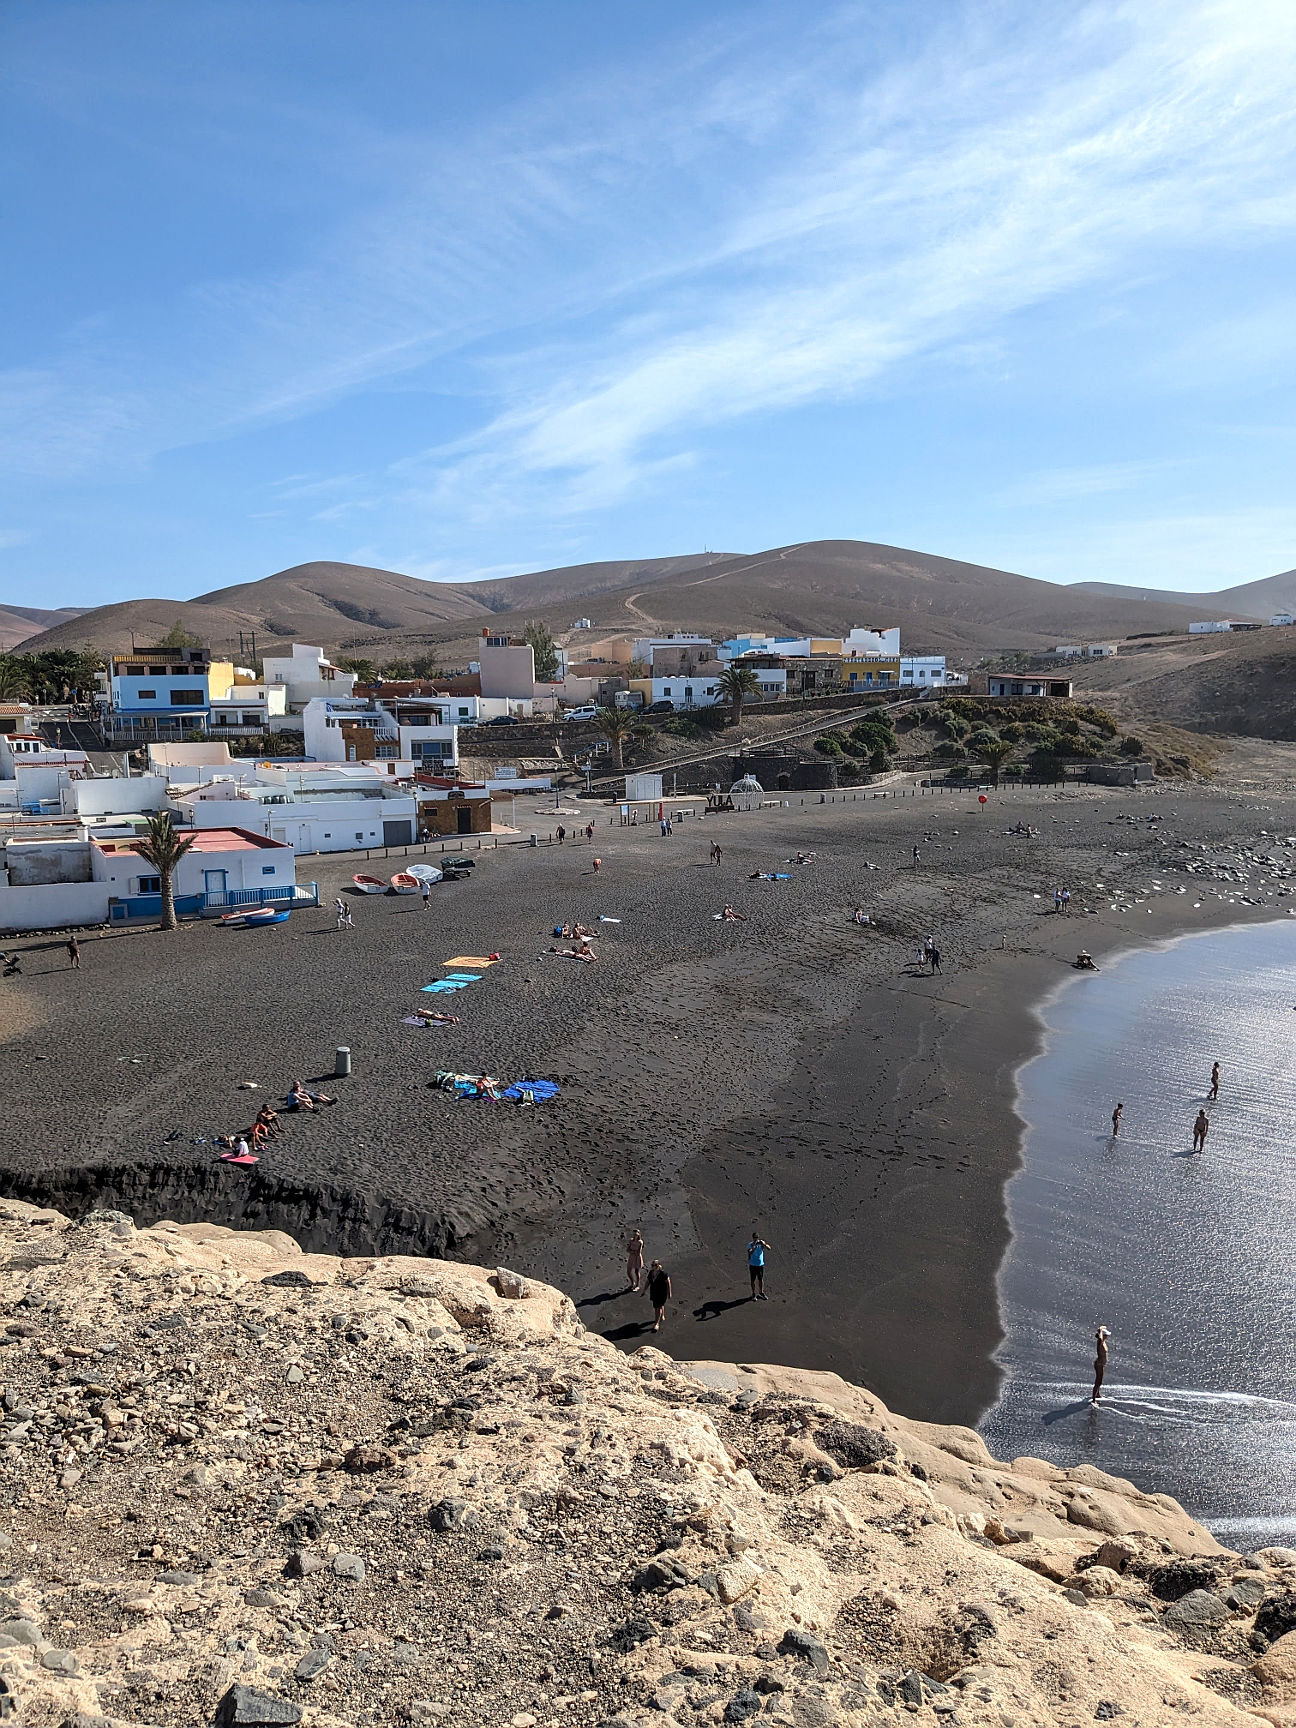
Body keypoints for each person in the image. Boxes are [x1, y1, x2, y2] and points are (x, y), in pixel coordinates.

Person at [646, 1259, 671, 1332]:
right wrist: (644, 1290)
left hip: (662, 1293)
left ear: (658, 1266)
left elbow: (668, 1282)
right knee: (657, 1306)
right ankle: (662, 1315)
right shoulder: (651, 1273)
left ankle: (656, 1323)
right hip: (654, 1292)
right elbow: (647, 1281)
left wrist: (669, 1292)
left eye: (655, 1265)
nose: (653, 1267)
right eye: (652, 1265)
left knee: (658, 1307)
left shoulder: (663, 1274)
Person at [1092, 1325, 1111, 1404]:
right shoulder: (1100, 1341)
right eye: (1105, 1335)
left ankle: (1098, 1394)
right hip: (1099, 1364)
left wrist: (1102, 1327)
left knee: (1100, 1380)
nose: (1107, 1336)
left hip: (1102, 1363)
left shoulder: (1103, 1342)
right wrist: (1100, 1330)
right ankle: (1094, 1399)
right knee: (1098, 1381)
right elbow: (1100, 1338)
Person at [747, 1233, 769, 1300]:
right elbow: (749, 1252)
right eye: (754, 1237)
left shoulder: (761, 1244)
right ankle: (753, 1294)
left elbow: (769, 1248)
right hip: (753, 1265)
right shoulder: (750, 1244)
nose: (756, 1239)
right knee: (752, 1280)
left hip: (760, 1265)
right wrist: (754, 1248)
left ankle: (761, 1292)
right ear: (752, 1238)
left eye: (757, 1237)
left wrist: (764, 1244)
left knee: (760, 1279)